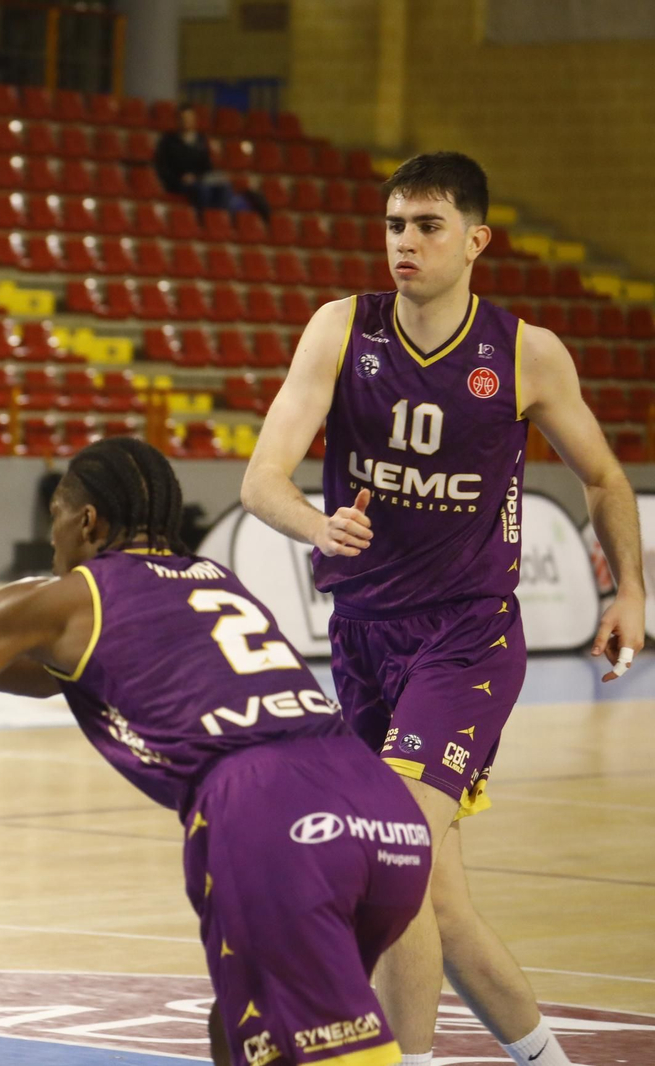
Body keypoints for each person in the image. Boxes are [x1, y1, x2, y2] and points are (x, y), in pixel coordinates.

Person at [0, 436, 432, 1066]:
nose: (53, 539)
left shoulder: (66, 599)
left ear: (89, 522)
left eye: (57, 519)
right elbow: (26, 670)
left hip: (273, 820)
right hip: (383, 813)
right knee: (240, 1021)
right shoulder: (216, 581)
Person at [240, 150, 645, 1066]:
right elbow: (262, 480)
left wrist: (630, 588)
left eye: (428, 226)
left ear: (475, 241)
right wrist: (316, 524)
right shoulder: (340, 329)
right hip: (361, 637)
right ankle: (549, 1059)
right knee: (444, 908)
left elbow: (604, 476)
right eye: (395, 225)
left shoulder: (525, 352)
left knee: (393, 859)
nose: (406, 243)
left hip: (467, 637)